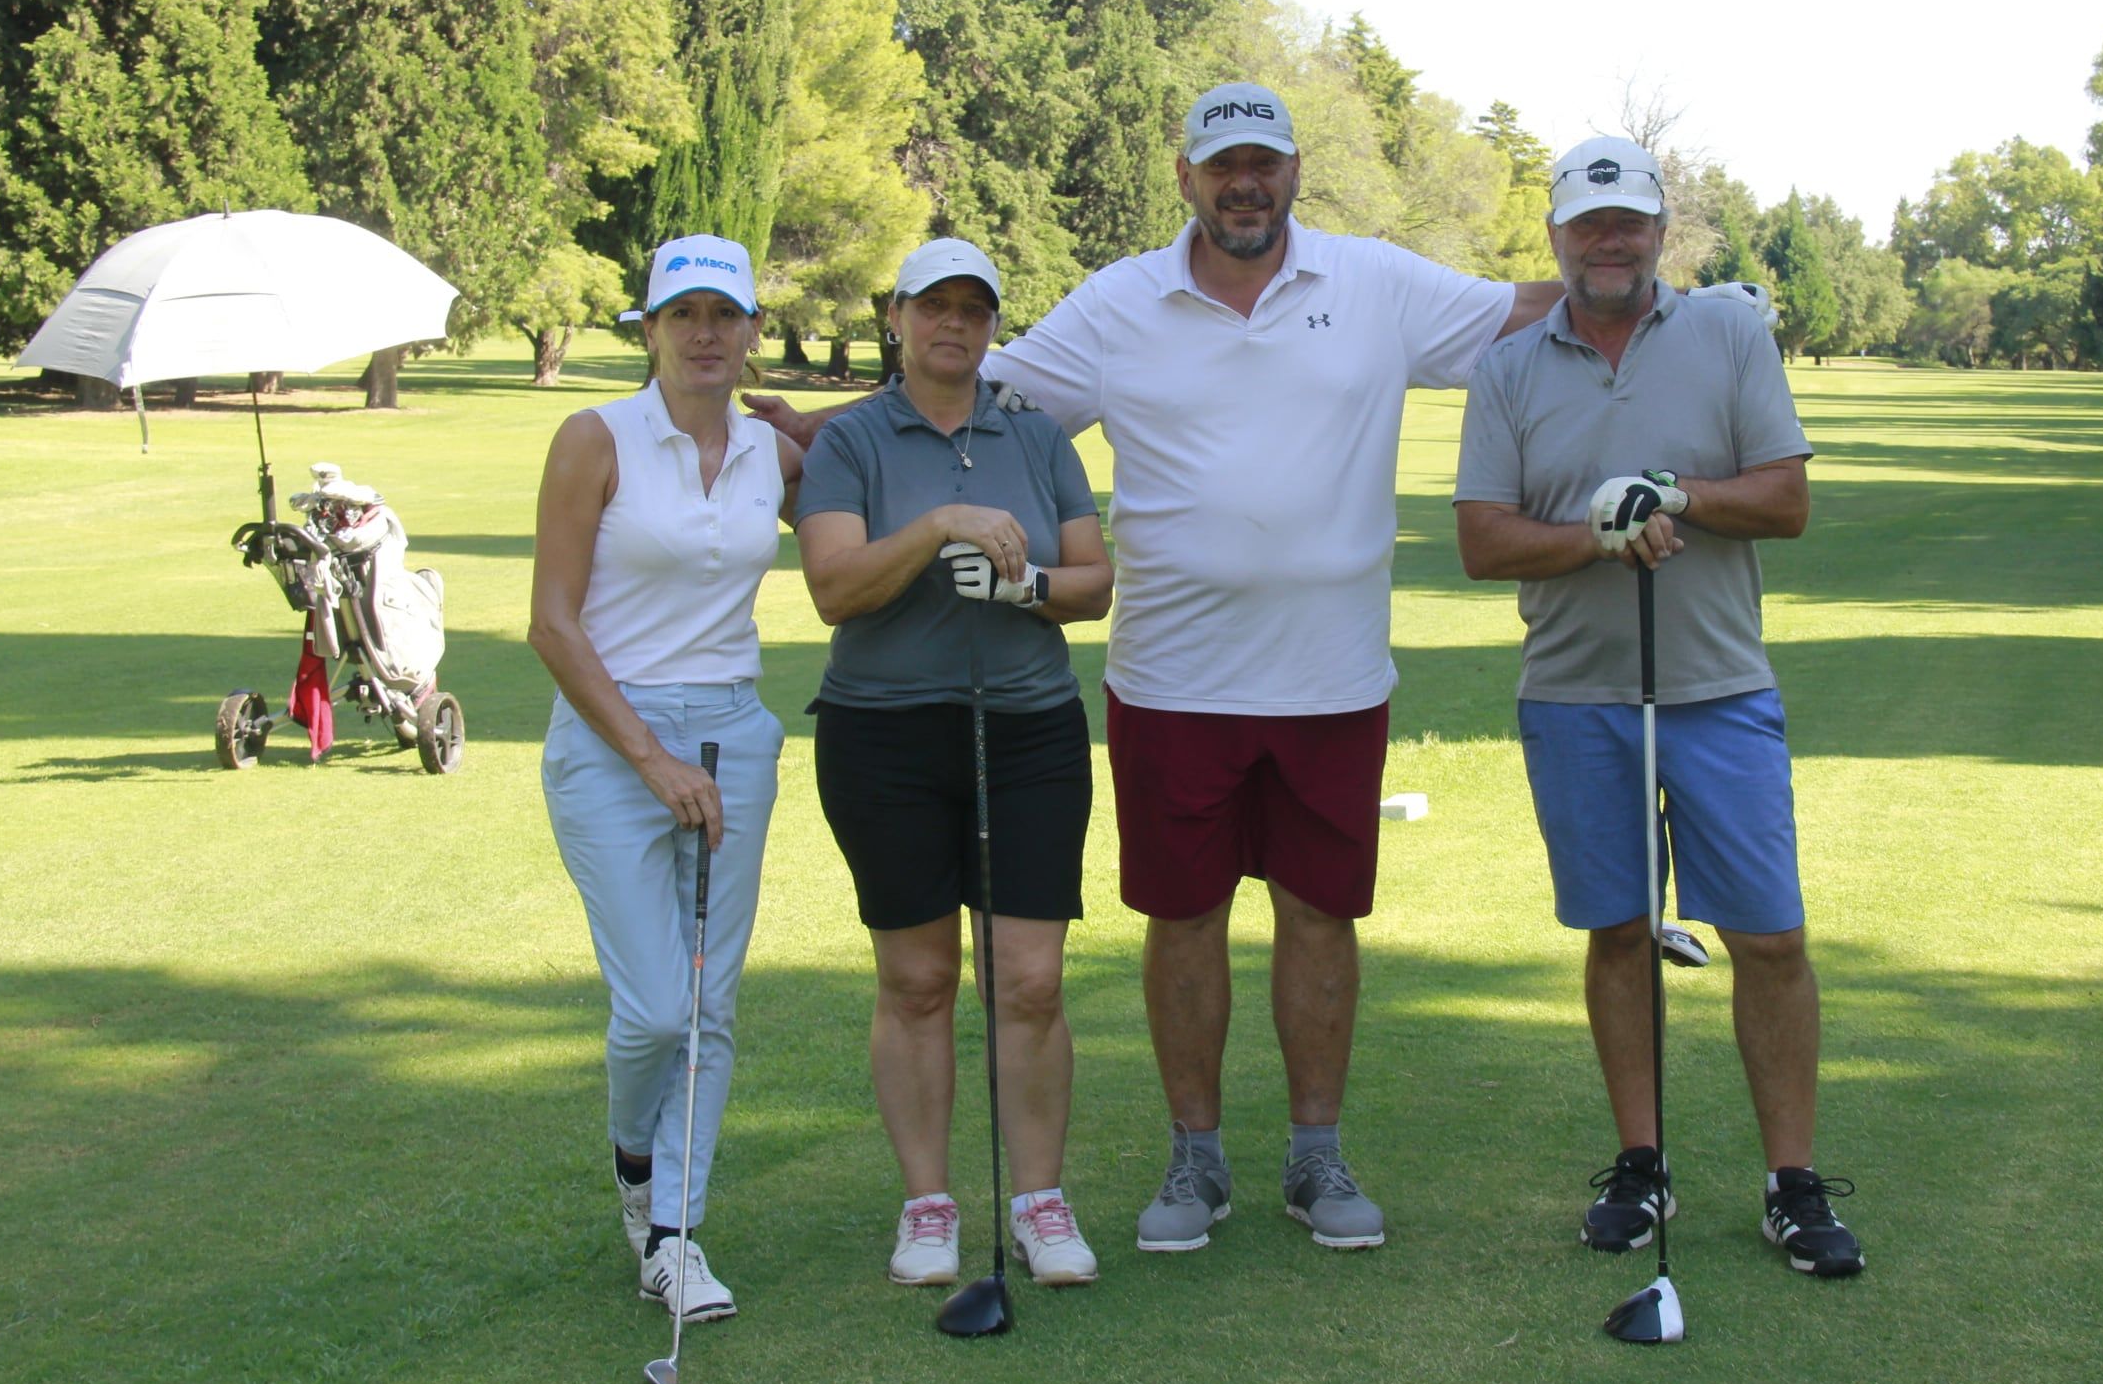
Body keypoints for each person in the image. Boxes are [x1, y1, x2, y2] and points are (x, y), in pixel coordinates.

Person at [762, 83, 1564, 1254]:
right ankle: (1195, 1162)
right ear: (1186, 177)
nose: (1245, 183)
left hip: (1334, 676)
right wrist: (808, 434)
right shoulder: (1122, 302)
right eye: (1222, 165)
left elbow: (1526, 312)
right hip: (1173, 677)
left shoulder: (1377, 283)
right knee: (1182, 917)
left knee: (1320, 916)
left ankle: (1315, 1156)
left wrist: (1648, 291)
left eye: (1265, 163)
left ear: (1295, 172)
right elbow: (960, 388)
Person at [1452, 136, 1865, 1278]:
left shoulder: (1729, 332)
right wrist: (1594, 530)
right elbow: (1483, 539)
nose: (1611, 242)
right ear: (1556, 238)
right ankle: (1641, 1166)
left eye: (1630, 222)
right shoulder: (1510, 367)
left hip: (1719, 689)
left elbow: (1784, 501)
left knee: (1770, 937)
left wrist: (1677, 494)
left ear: (1660, 230)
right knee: (1620, 933)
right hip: (1577, 693)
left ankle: (1792, 1182)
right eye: (1589, 225)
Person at [793, 238, 1114, 1289]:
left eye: (975, 311)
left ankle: (1039, 1201)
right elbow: (835, 590)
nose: (954, 327)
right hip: (883, 732)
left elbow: (1093, 583)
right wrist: (938, 526)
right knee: (920, 977)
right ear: (896, 316)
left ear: (991, 326)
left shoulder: (1036, 435)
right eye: (935, 308)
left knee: (1029, 979)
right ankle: (929, 1205)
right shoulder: (852, 443)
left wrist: (1020, 588)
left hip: (1025, 727)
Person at [528, 235, 803, 1323]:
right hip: (611, 741)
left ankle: (676, 1237)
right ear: (648, 328)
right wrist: (651, 759)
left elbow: (870, 451)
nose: (703, 334)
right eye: (681, 315)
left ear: (748, 332)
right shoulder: (593, 439)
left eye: (723, 316)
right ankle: (635, 1158)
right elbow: (551, 623)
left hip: (736, 732)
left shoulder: (769, 455)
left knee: (711, 1003)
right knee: (651, 1009)